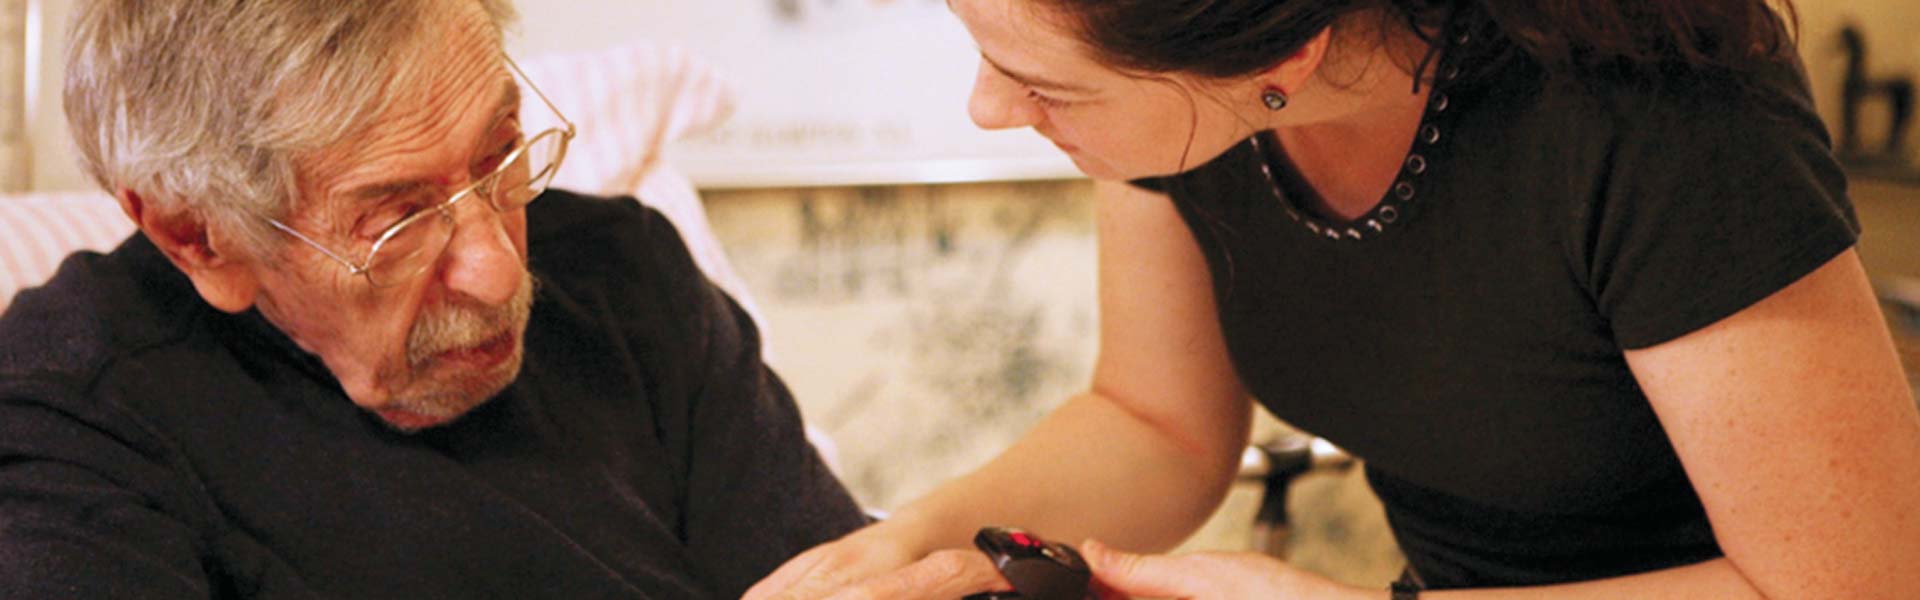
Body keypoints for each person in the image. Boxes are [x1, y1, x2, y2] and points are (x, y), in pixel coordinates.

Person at [747, 1, 1920, 598]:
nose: (989, 110)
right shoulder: (1187, 121)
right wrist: (908, 544)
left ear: (1283, 57)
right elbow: (1156, 424)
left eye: (1043, 82)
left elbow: (1854, 586)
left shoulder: (1655, 125)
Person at [0, 1, 867, 598]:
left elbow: (832, 574)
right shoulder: (74, 414)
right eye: (395, 222)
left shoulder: (625, 271)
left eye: (499, 158)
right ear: (199, 238)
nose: (496, 270)